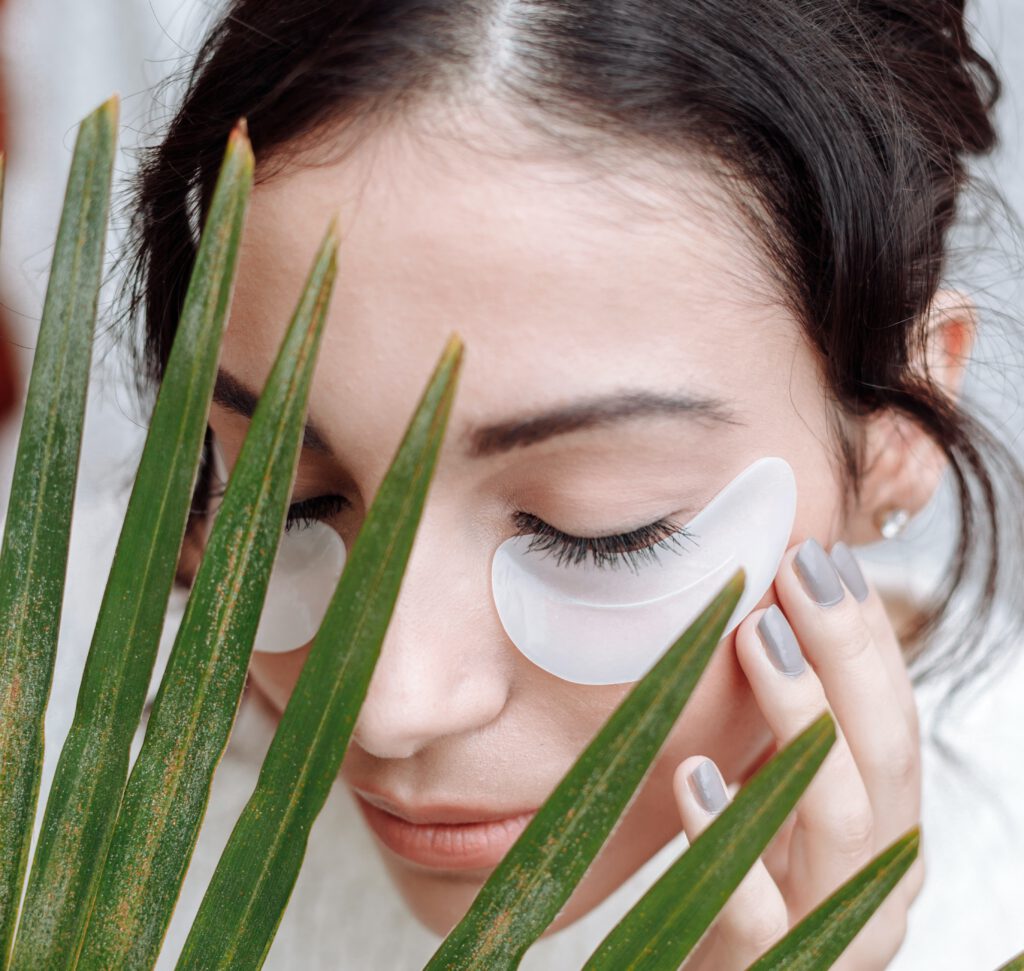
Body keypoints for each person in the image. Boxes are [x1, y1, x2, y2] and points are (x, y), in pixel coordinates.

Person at [114, 0, 1024, 967]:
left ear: (897, 433)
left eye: (593, 530)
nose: (390, 704)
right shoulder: (54, 775)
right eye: (281, 501)